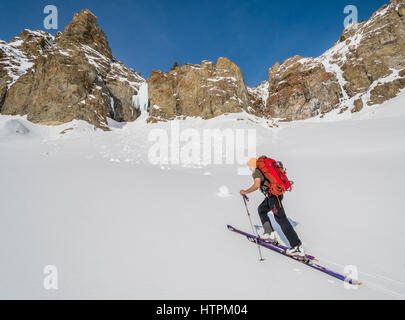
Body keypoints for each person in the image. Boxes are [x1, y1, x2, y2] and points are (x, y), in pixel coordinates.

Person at [240, 158, 306, 258]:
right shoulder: (262, 170)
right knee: (262, 209)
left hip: (273, 197)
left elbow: (256, 185)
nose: (250, 169)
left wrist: (245, 191)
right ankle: (269, 233)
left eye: (250, 167)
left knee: (281, 219)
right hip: (274, 195)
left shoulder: (256, 171)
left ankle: (297, 247)